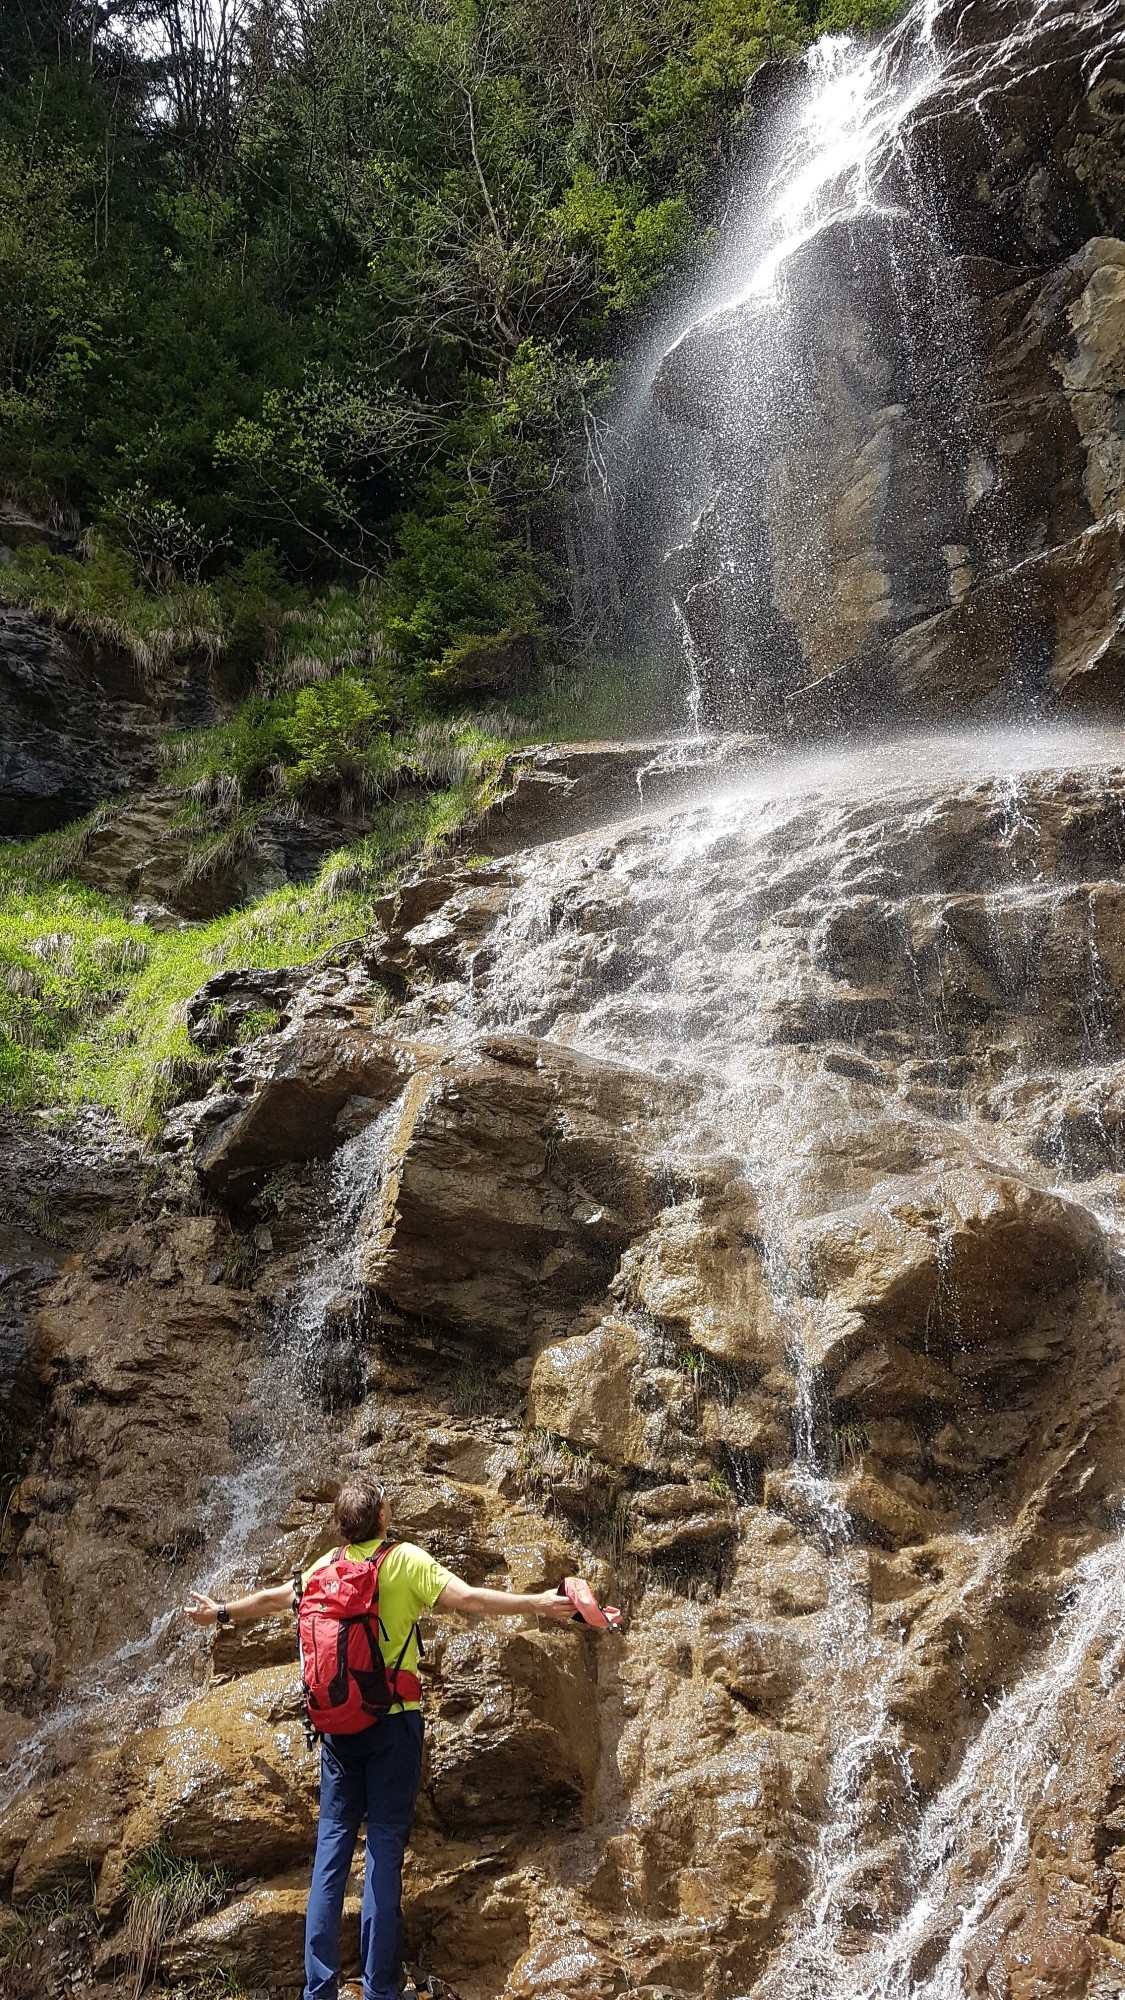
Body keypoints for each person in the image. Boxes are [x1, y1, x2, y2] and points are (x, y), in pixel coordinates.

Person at [185, 1472, 580, 2000]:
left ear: (340, 1526)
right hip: (394, 1724)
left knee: (330, 1856)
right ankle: (380, 1990)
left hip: (337, 1730)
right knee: (384, 1853)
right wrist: (537, 1603)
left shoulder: (323, 1568)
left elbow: (275, 1599)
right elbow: (469, 1599)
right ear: (383, 1517)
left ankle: (318, 1988)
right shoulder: (404, 1560)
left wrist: (219, 1614)